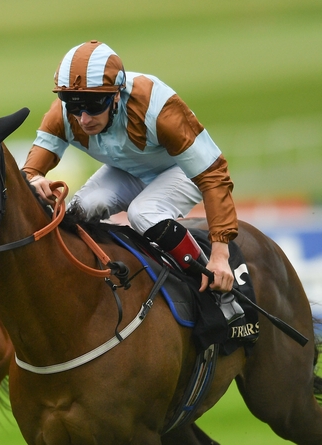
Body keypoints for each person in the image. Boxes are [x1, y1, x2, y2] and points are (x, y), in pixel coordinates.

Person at [22, 40, 244, 323]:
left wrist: (221, 255)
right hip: (125, 170)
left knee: (143, 213)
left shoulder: (158, 108)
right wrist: (35, 179)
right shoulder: (64, 114)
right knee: (78, 210)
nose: (84, 118)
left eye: (93, 105)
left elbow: (213, 174)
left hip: (180, 171)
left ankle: (221, 294)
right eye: (74, 106)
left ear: (117, 95)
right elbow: (29, 173)